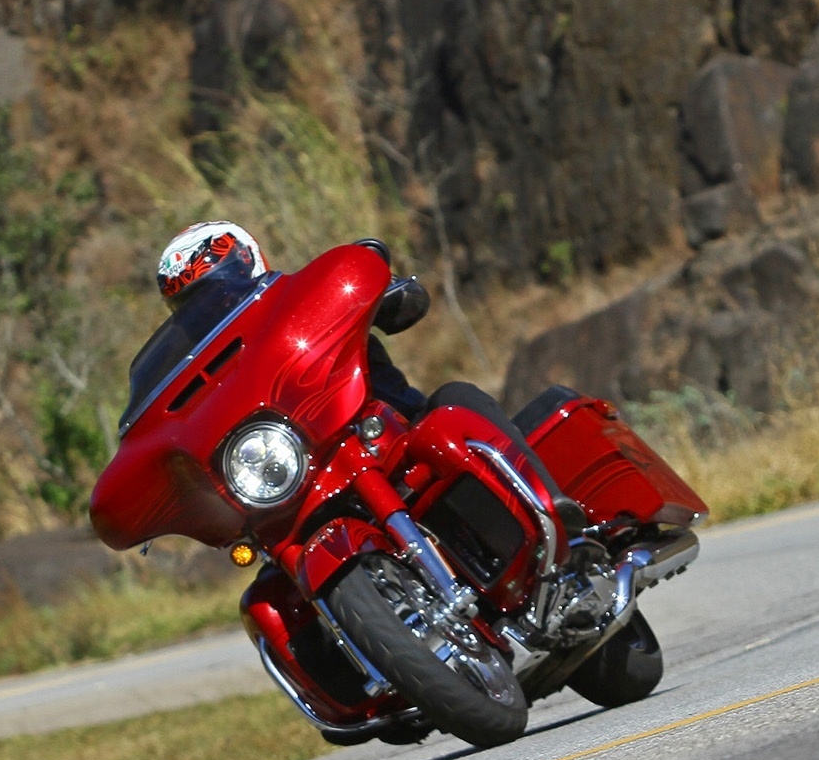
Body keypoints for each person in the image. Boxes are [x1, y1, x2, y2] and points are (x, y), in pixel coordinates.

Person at [154, 221, 587, 532]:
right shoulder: (204, 386)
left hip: (399, 436)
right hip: (309, 486)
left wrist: (381, 290)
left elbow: (403, 301)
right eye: (193, 306)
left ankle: (553, 505)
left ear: (248, 262)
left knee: (454, 400)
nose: (216, 307)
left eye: (222, 288)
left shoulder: (308, 300)